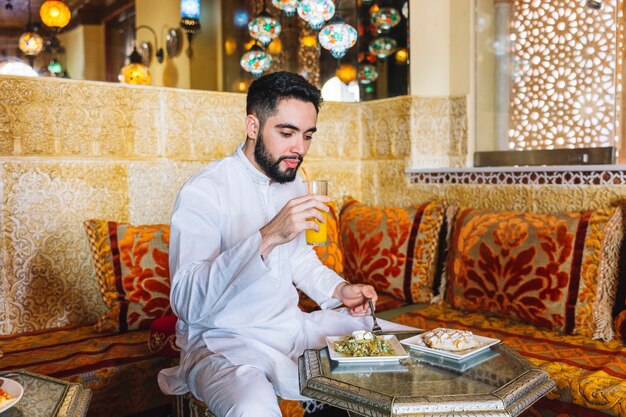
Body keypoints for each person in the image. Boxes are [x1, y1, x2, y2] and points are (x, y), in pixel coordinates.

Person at [158, 71, 409, 417]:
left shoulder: (291, 182)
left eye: (307, 136)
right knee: (252, 408)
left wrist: (340, 290)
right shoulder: (204, 190)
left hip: (291, 328)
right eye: (287, 132)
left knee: (408, 343)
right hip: (223, 342)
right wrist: (267, 235)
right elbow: (186, 300)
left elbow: (301, 261)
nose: (300, 149)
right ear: (252, 126)